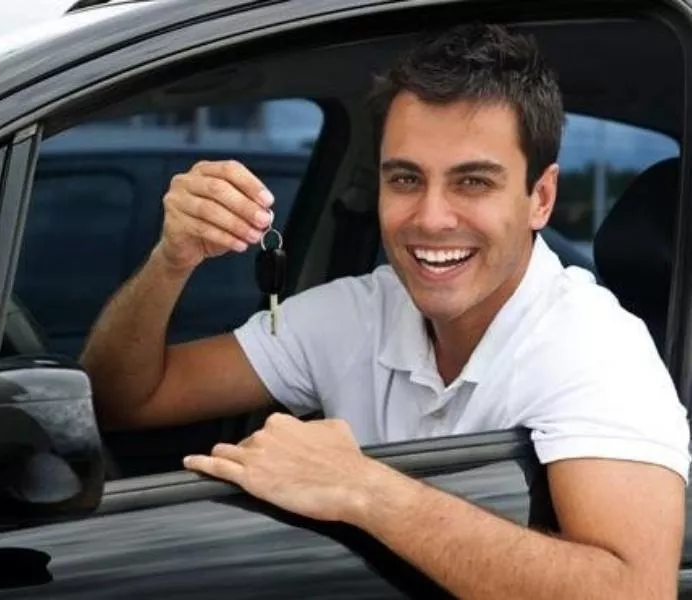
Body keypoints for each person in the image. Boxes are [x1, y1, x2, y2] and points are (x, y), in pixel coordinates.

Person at [81, 22, 690, 598]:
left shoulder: (594, 346)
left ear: (542, 198)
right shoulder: (356, 311)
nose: (430, 217)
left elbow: (634, 590)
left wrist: (363, 487)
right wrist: (172, 260)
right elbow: (121, 399)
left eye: (472, 182)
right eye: (405, 180)